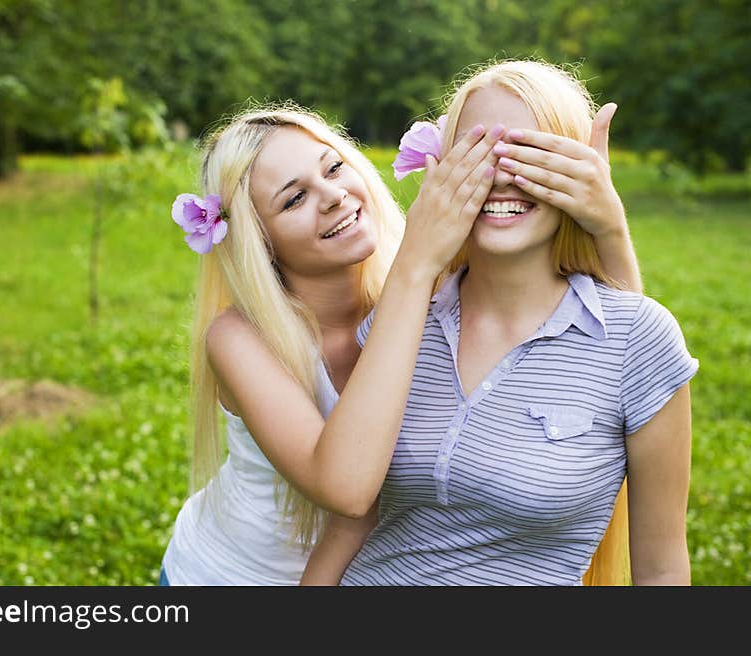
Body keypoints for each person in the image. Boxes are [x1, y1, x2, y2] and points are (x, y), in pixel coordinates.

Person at [160, 94, 641, 585]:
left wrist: (608, 226)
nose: (332, 196)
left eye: (333, 168)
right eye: (294, 198)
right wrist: (416, 263)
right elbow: (346, 489)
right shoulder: (240, 338)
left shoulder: (424, 290)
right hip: (230, 579)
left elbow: (609, 348)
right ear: (259, 241)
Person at [300, 60, 698, 587]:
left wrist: (607, 224)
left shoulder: (639, 339)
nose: (504, 174)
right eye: (478, 153)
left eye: (533, 155)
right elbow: (352, 518)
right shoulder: (400, 322)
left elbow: (662, 569)